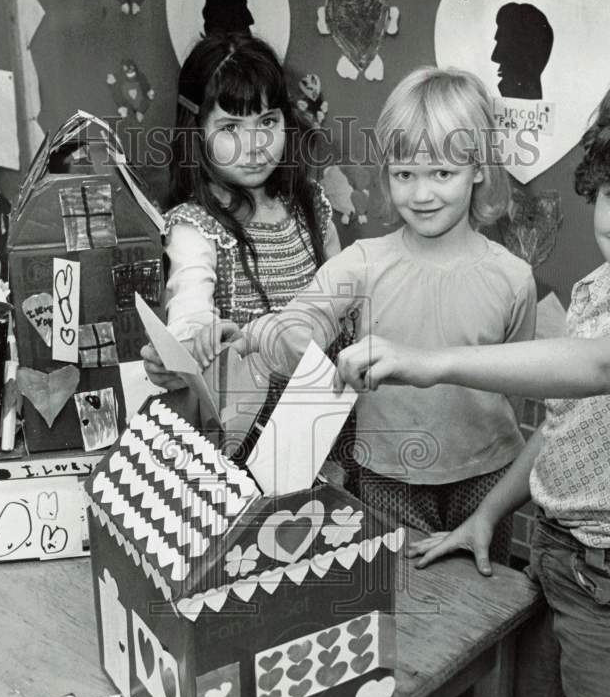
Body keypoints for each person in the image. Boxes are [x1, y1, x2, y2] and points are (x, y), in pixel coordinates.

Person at [334, 52, 610, 697]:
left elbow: (595, 368)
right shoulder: (602, 287)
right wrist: (488, 515)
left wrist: (434, 361)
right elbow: (565, 423)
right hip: (557, 556)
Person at [201, 66, 537, 564]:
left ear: (480, 168)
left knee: (482, 605)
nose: (421, 195)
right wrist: (274, 334)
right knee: (401, 604)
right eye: (404, 174)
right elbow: (305, 319)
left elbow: (517, 385)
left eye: (442, 173)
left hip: (487, 479)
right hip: (384, 477)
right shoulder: (362, 263)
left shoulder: (513, 278)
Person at [140, 32, 342, 398]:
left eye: (267, 122)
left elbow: (345, 303)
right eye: (231, 127)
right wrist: (185, 349)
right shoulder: (195, 226)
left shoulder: (311, 206)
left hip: (326, 413)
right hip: (244, 433)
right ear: (197, 130)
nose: (255, 146)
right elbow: (190, 307)